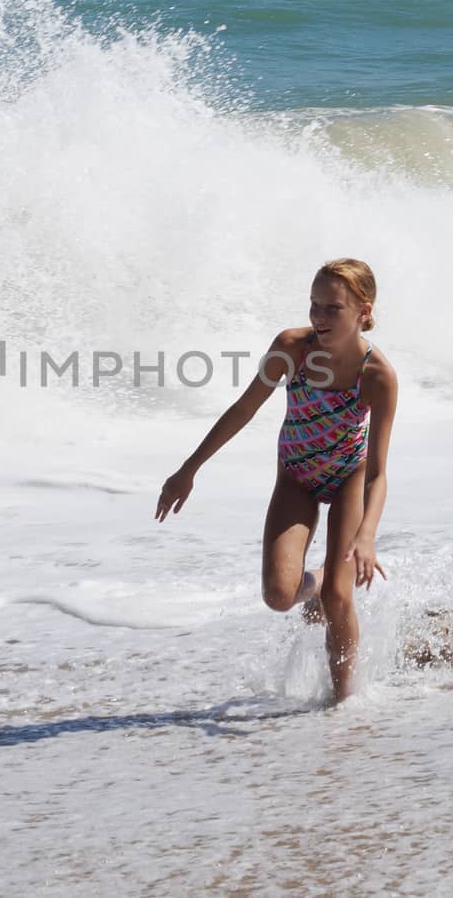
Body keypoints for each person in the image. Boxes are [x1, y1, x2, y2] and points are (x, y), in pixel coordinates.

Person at [155, 258, 398, 702]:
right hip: (297, 477)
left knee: (340, 596)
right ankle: (315, 586)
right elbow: (244, 409)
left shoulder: (377, 376)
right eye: (314, 305)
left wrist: (367, 535)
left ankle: (342, 704)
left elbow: (379, 472)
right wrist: (189, 469)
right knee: (278, 595)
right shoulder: (292, 348)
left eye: (332, 309)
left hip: (348, 479)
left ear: (363, 311)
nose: (318, 317)